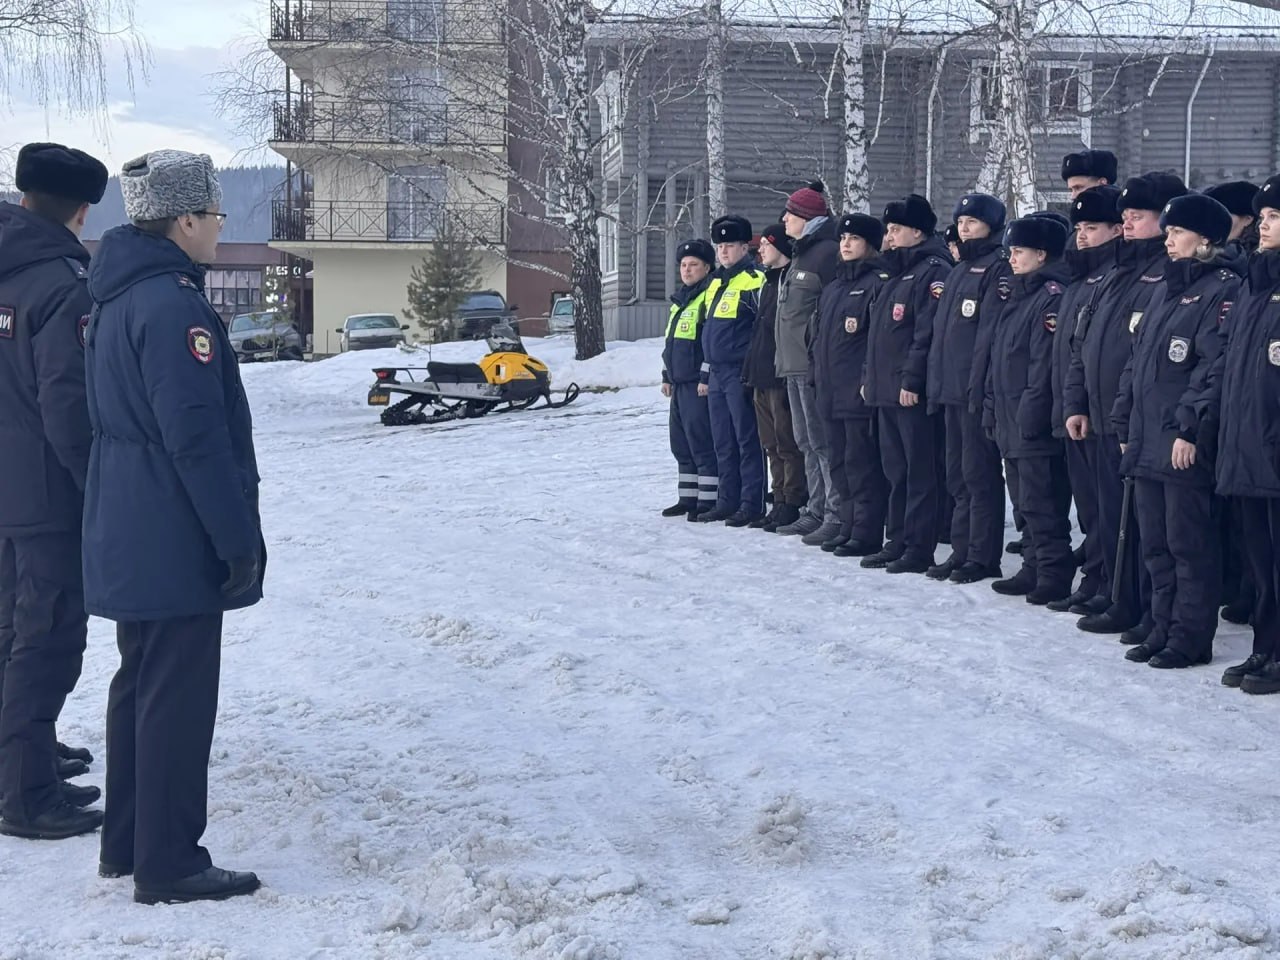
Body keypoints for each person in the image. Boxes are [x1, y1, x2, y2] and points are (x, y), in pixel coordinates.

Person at [84, 150, 264, 903]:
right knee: (177, 699)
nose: (220, 225)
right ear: (185, 220)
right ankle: (170, 862)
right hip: (172, 527)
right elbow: (195, 438)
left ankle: (129, 843)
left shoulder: (117, 295)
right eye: (215, 213)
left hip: (131, 519)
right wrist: (236, 541)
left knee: (140, 686)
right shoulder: (173, 307)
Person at [0, 142, 108, 840]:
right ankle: (26, 792)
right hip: (45, 496)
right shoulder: (64, 285)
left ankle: (25, 754)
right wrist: (97, 489)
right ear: (81, 211)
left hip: (7, 487)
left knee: (11, 632)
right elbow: (67, 406)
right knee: (47, 639)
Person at [1111, 193, 1240, 668]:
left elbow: (1213, 369)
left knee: (1188, 544)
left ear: (1204, 239)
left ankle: (1189, 637)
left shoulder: (1221, 290)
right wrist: (1123, 418)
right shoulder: (1165, 289)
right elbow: (1138, 362)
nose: (1168, 240)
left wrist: (1190, 429)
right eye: (1166, 231)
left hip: (1180, 441)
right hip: (1147, 437)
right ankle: (1161, 625)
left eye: (1177, 232)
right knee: (1156, 544)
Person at [1065, 172, 1187, 643]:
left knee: (1141, 524)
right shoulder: (1116, 271)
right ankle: (1117, 594)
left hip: (1138, 420)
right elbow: (1084, 344)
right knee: (1109, 513)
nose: (1129, 223)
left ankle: (1140, 606)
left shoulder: (1164, 273)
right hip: (1102, 414)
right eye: (1126, 216)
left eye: (1138, 216)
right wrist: (1078, 402)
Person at [1210, 174, 1280, 692]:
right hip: (1249, 445)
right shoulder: (1256, 283)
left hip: (1274, 447)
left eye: (1276, 217)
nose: (1264, 225)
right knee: (1261, 561)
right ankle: (1266, 647)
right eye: (1265, 216)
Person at [984, 216, 1074, 604]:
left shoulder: (1050, 297)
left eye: (1019, 251)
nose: (1012, 258)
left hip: (1031, 421)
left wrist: (1030, 416)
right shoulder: (1019, 296)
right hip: (1010, 416)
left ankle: (1053, 571)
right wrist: (992, 406)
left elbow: (1043, 366)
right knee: (1023, 503)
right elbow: (1000, 359)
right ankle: (1033, 565)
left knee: (1042, 503)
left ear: (1041, 254)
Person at [861, 194, 953, 573]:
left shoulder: (933, 271)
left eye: (896, 229)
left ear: (917, 232)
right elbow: (879, 336)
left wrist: (912, 379)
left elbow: (925, 334)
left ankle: (918, 546)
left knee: (920, 472)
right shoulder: (895, 272)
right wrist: (869, 378)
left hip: (910, 392)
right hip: (886, 389)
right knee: (895, 471)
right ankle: (897, 539)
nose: (889, 236)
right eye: (888, 229)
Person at [1047, 186, 1124, 616]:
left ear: (1116, 230)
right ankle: (1094, 576)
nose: (1081, 235)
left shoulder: (1113, 276)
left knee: (1106, 509)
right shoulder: (1080, 276)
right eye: (1078, 227)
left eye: (1092, 228)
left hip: (1104, 412)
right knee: (1089, 507)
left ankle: (1109, 581)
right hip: (1076, 406)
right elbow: (1074, 349)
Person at [925, 193, 1008, 583]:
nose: (964, 228)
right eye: (960, 222)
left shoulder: (997, 268)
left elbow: (987, 337)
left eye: (972, 222)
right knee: (957, 476)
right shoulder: (959, 269)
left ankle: (982, 555)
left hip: (974, 392)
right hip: (950, 390)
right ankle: (962, 549)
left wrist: (979, 388)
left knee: (979, 475)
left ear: (990, 225)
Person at [811, 214, 891, 556]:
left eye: (854, 239)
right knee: (839, 463)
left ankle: (866, 531)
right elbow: (818, 338)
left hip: (856, 392)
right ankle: (847, 524)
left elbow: (878, 341)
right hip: (830, 389)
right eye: (843, 238)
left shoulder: (877, 283)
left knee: (862, 465)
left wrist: (866, 380)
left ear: (870, 244)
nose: (845, 244)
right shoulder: (833, 287)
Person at [774, 182, 842, 543]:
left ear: (806, 217)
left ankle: (835, 513)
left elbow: (829, 312)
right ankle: (815, 509)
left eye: (790, 214)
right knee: (804, 441)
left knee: (822, 442)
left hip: (813, 365)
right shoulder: (802, 252)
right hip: (793, 365)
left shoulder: (826, 253)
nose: (784, 219)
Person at [698, 215, 766, 526]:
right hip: (717, 372)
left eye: (729, 245)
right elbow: (708, 331)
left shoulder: (755, 279)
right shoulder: (715, 282)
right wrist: (705, 372)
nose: (723, 251)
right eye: (720, 246)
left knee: (746, 439)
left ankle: (751, 503)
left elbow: (762, 330)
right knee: (722, 440)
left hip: (740, 371)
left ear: (744, 247)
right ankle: (727, 500)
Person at [744, 224, 805, 531]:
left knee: (786, 441)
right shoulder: (768, 282)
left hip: (780, 373)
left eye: (766, 245)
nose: (760, 251)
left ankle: (792, 499)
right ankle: (778, 495)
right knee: (769, 441)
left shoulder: (789, 279)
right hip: (761, 372)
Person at [660, 239, 718, 520]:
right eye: (683, 265)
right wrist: (666, 375)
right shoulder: (681, 301)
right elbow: (671, 343)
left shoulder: (708, 297)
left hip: (697, 383)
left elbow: (708, 344)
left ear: (707, 267)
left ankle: (707, 500)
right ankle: (688, 498)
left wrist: (705, 376)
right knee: (681, 444)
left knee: (701, 442)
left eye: (693, 264)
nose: (687, 270)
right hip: (679, 383)